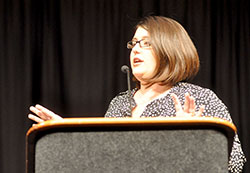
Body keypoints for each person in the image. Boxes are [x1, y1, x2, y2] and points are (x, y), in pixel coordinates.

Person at [28, 16, 246, 172]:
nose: (136, 49)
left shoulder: (200, 98)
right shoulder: (119, 103)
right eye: (134, 43)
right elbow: (102, 161)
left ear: (170, 49)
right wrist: (67, 135)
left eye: (147, 43)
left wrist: (196, 139)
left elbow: (235, 163)